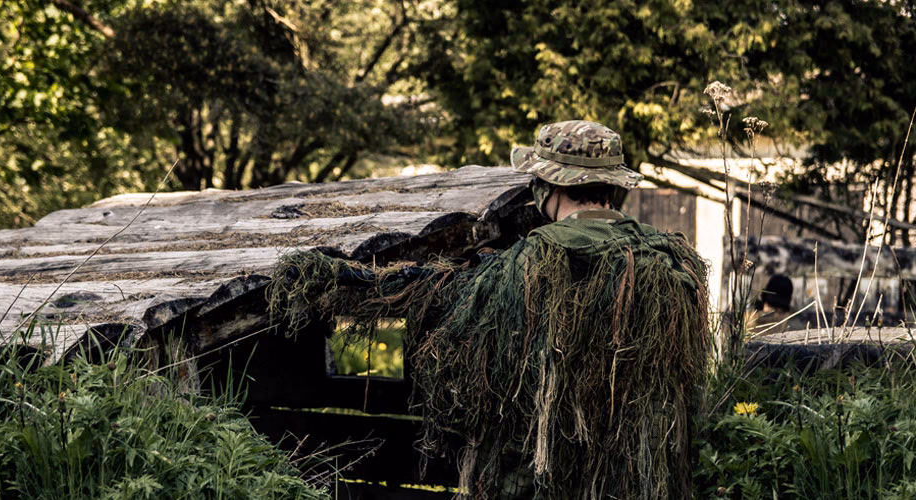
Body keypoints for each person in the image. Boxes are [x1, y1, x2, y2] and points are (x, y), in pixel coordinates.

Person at [272, 120, 710, 499]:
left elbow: (455, 351)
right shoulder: (670, 261)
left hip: (539, 478)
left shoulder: (531, 262)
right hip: (640, 477)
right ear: (613, 187)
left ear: (549, 187)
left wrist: (340, 349)